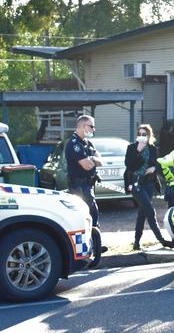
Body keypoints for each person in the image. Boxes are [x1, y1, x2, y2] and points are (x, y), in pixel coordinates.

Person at [64, 114, 106, 266]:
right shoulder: (74, 144)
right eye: (91, 126)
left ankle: (96, 245)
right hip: (78, 186)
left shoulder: (87, 142)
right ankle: (86, 249)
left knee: (93, 213)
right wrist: (93, 160)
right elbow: (86, 165)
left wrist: (93, 160)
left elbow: (100, 161)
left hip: (88, 185)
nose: (93, 129)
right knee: (84, 216)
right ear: (82, 126)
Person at [124, 123, 171, 250]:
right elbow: (129, 165)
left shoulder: (152, 148)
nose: (141, 136)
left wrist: (154, 168)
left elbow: (157, 163)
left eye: (144, 134)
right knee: (150, 210)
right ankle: (162, 240)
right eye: (139, 134)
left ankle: (136, 242)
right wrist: (138, 151)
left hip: (149, 184)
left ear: (149, 135)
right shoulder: (131, 148)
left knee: (142, 213)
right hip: (136, 183)